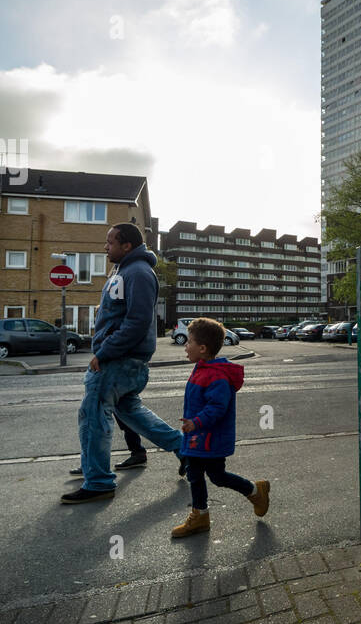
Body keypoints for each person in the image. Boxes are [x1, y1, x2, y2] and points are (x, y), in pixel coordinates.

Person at [63, 223, 183, 504]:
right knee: (131, 412)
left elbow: (137, 322)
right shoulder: (124, 270)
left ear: (126, 245)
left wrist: (103, 352)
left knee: (92, 414)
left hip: (118, 360)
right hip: (125, 360)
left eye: (110, 242)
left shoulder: (138, 272)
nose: (105, 247)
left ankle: (99, 481)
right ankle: (184, 449)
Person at [171, 317, 270, 537]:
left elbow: (217, 408)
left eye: (189, 342)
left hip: (210, 438)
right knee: (194, 475)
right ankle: (200, 516)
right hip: (197, 437)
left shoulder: (216, 376)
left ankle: (255, 491)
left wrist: (195, 422)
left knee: (217, 476)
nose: (185, 346)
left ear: (203, 348)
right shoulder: (202, 367)